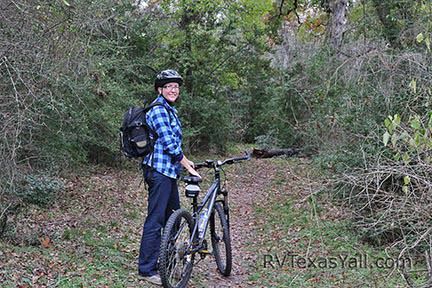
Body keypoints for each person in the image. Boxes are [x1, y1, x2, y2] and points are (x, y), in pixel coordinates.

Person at [138, 69, 200, 285]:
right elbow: (169, 143)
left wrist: (185, 161)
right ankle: (147, 269)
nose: (173, 90)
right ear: (160, 89)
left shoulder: (169, 110)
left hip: (168, 172)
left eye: (176, 87)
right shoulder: (158, 111)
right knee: (155, 220)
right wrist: (186, 164)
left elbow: (174, 145)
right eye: (168, 86)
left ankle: (168, 262)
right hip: (159, 172)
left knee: (173, 219)